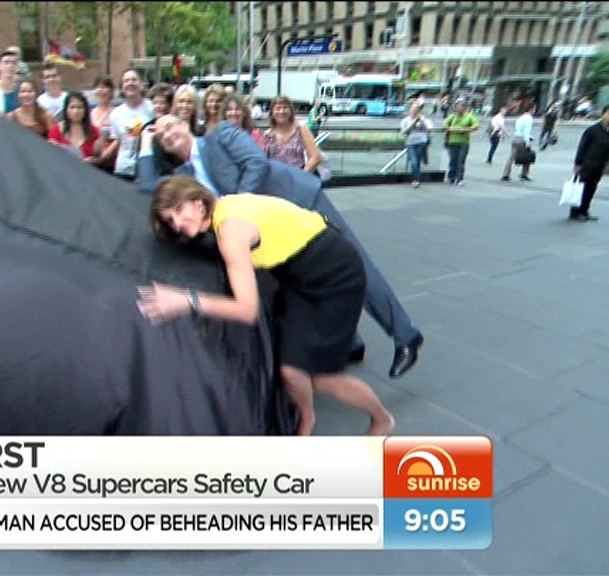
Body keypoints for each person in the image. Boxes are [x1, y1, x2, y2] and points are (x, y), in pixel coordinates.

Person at [137, 115, 425, 378]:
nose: (167, 134)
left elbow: (257, 162)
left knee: (356, 265)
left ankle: (405, 334)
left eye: (170, 126)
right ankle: (348, 343)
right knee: (306, 284)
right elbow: (148, 184)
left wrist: (239, 209)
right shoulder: (181, 179)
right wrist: (145, 143)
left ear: (185, 124)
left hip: (295, 201)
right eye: (161, 135)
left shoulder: (220, 135)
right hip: (263, 233)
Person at [138, 178, 395, 436]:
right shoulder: (223, 209)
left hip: (335, 276)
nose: (178, 224)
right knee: (291, 372)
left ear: (197, 202)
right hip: (300, 275)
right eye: (170, 219)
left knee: (322, 377)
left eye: (179, 210)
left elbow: (246, 310)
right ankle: (307, 418)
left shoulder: (230, 231)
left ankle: (382, 419)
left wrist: (186, 300)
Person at [571, 105, 609, 222]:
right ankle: (575, 212)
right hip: (587, 164)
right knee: (582, 189)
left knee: (591, 189)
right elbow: (582, 147)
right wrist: (578, 163)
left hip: (600, 164)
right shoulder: (592, 130)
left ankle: (584, 211)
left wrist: (608, 162)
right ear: (603, 114)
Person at [104, 68, 153, 181]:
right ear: (122, 87)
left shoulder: (152, 108)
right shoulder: (116, 114)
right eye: (126, 81)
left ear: (141, 85)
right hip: (123, 170)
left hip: (147, 167)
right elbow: (117, 142)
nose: (130, 83)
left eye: (134, 80)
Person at [263, 96, 325, 178]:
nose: (281, 111)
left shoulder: (301, 129)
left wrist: (301, 176)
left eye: (285, 108)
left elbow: (316, 157)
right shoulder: (268, 135)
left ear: (291, 111)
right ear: (272, 113)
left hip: (297, 178)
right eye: (278, 108)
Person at [47, 91, 100, 161]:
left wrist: (93, 160)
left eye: (79, 107)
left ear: (85, 109)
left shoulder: (94, 131)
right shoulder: (56, 130)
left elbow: (99, 156)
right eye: (72, 107)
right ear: (66, 109)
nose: (76, 111)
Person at [443, 98, 480, 186]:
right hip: (452, 142)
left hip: (464, 143)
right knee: (452, 160)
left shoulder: (469, 117)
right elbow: (444, 126)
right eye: (458, 106)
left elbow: (476, 126)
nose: (460, 108)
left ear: (465, 107)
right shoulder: (452, 116)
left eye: (462, 106)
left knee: (461, 161)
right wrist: (452, 129)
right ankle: (451, 177)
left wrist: (466, 129)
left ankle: (459, 179)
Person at [401, 103, 433, 188]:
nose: (413, 111)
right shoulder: (405, 120)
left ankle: (416, 179)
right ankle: (416, 179)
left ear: (419, 111)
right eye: (412, 109)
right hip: (410, 143)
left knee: (417, 161)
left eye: (416, 110)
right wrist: (414, 122)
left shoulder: (425, 119)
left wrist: (421, 121)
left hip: (422, 142)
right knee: (414, 161)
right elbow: (405, 132)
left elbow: (429, 129)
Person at [502, 103, 534, 182]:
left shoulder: (520, 118)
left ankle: (505, 174)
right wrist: (527, 142)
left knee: (511, 157)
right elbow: (526, 131)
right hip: (522, 139)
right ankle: (524, 174)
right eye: (534, 109)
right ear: (531, 110)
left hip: (516, 138)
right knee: (527, 156)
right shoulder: (529, 118)